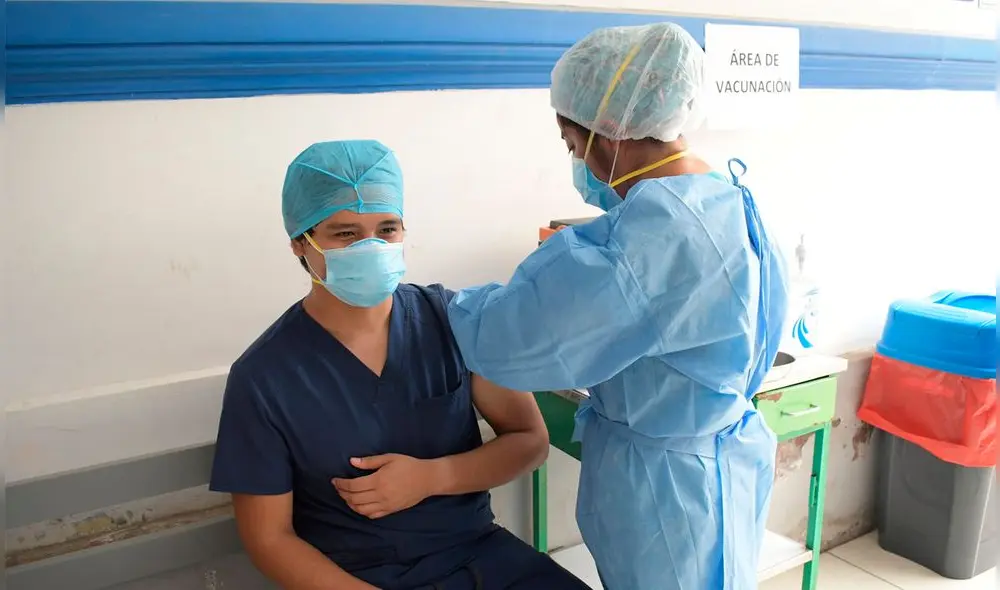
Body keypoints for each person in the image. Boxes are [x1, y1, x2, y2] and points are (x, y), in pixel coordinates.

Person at [446, 23, 789, 590]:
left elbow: (519, 337)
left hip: (666, 494)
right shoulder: (731, 197)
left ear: (608, 135)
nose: (576, 161)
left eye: (571, 143)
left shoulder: (651, 241)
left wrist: (441, 307)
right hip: (723, 465)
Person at [210, 140, 590, 590]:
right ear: (299, 243)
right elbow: (270, 538)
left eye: (386, 229)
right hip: (358, 578)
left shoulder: (452, 320)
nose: (370, 247)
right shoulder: (264, 377)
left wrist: (433, 477)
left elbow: (529, 440)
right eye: (345, 234)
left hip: (483, 557)